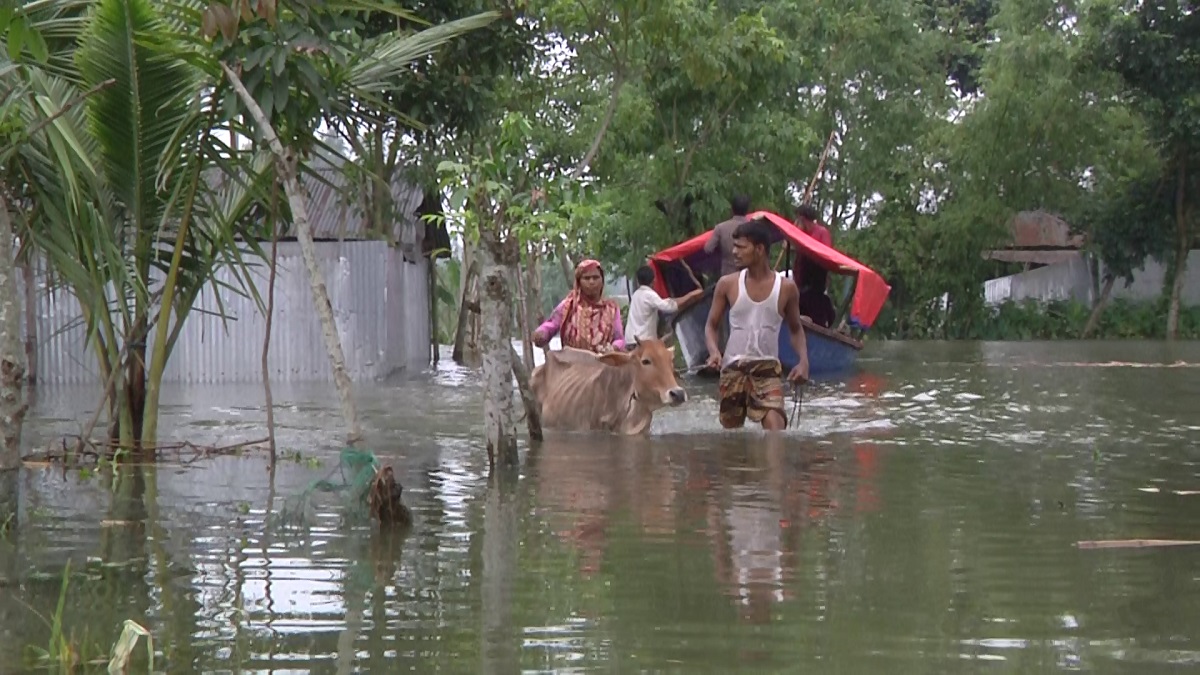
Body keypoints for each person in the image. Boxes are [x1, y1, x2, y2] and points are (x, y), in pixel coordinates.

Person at [705, 218, 810, 431]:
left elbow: (796, 329)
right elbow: (711, 326)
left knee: (774, 425)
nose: (734, 252)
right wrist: (714, 352)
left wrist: (804, 362)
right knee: (732, 434)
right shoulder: (727, 284)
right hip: (733, 369)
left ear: (759, 249)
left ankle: (772, 465)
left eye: (741, 247)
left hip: (768, 369)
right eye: (734, 246)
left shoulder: (787, 288)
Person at [532, 259, 626, 353]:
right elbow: (552, 324)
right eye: (586, 278)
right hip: (572, 363)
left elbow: (619, 339)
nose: (592, 282)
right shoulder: (568, 306)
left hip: (603, 363)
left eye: (596, 277)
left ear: (602, 281)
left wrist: (613, 348)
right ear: (579, 282)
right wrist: (542, 334)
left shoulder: (611, 309)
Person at [624, 265, 705, 344]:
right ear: (653, 280)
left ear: (638, 282)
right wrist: (691, 295)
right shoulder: (649, 294)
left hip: (629, 340)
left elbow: (667, 301)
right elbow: (669, 307)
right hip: (642, 342)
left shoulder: (636, 295)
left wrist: (687, 297)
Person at [792, 203, 836, 328]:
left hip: (815, 282)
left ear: (803, 219)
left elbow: (825, 255)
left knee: (815, 314)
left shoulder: (822, 233)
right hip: (801, 282)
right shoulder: (800, 234)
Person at [703, 194, 752, 278]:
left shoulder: (721, 228)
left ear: (732, 209)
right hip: (749, 276)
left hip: (727, 275)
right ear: (747, 210)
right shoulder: (753, 228)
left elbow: (708, 249)